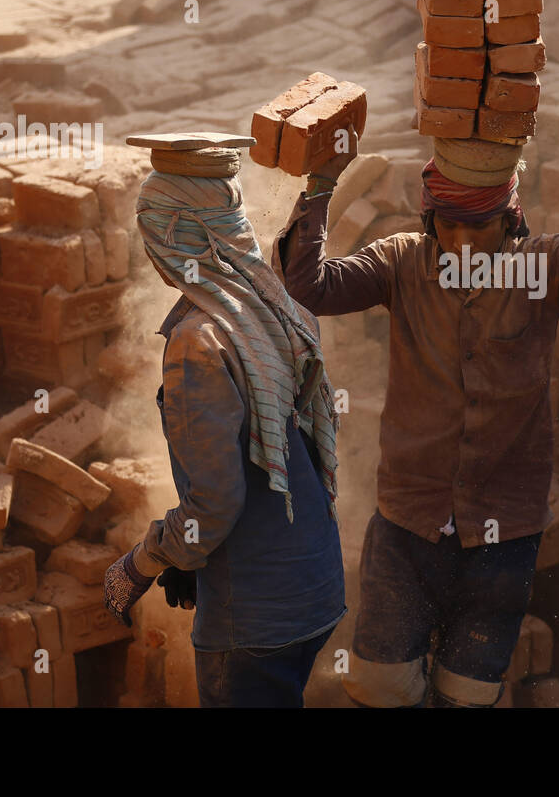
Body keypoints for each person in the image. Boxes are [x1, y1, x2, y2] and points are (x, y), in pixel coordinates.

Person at [274, 33, 559, 707]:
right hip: (407, 526)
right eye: (447, 224)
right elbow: (307, 284)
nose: (459, 240)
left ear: (509, 219)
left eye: (476, 226)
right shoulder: (401, 260)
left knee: (467, 696)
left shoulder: (541, 266)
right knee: (381, 688)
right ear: (429, 218)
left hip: (503, 533)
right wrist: (320, 183)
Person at [103, 145, 346, 708]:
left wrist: (141, 565)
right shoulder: (271, 302)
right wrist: (194, 556)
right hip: (311, 584)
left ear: (174, 237)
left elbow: (213, 504)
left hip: (256, 615)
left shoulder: (196, 344)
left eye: (150, 229)